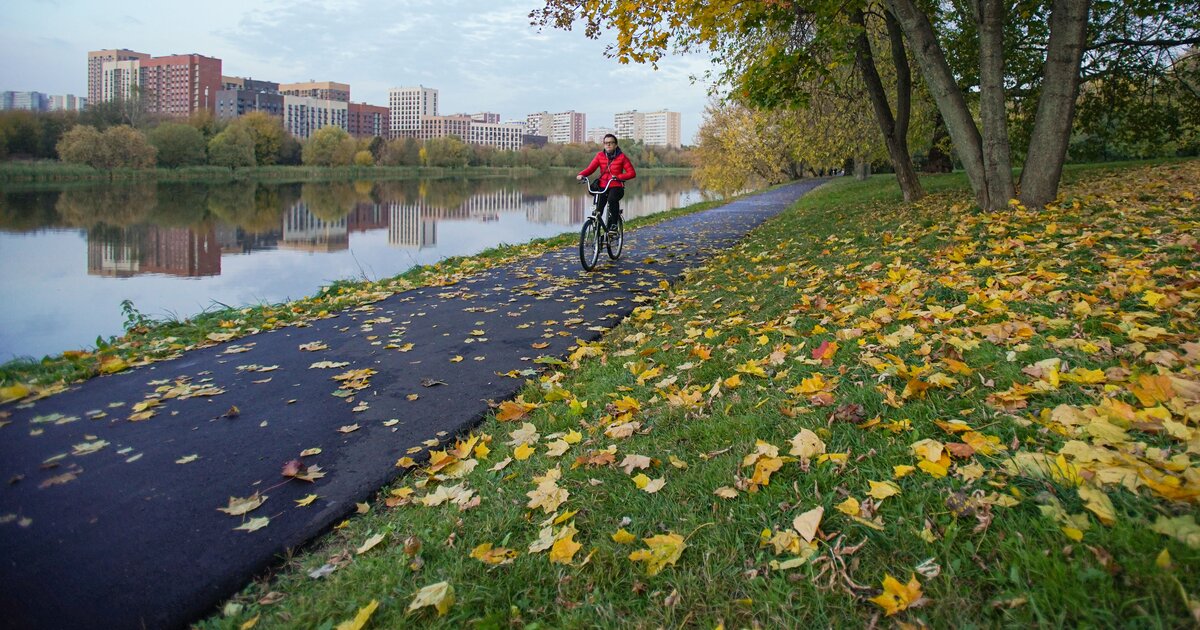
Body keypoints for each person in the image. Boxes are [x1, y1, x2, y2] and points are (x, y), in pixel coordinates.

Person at [577, 134, 636, 224]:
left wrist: (618, 177)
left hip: (616, 186)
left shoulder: (622, 157)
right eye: (606, 143)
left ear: (615, 145)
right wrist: (581, 175)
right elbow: (591, 168)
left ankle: (614, 225)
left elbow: (632, 173)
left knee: (612, 200)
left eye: (611, 143)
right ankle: (598, 232)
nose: (608, 145)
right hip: (602, 186)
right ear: (603, 144)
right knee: (598, 209)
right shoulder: (600, 156)